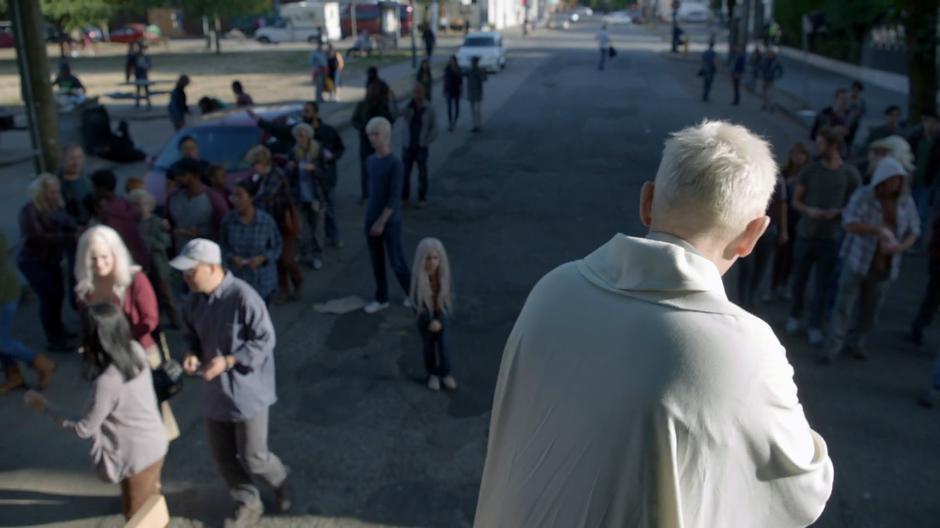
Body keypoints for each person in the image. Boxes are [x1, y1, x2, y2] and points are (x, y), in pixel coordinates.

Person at [474, 121, 834, 527]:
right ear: (752, 235)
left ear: (647, 201)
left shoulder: (551, 288)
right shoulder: (745, 350)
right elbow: (803, 488)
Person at [171, 238, 291, 525]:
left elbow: (265, 340)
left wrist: (229, 360)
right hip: (215, 393)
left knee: (254, 457)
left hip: (248, 394)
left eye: (191, 271)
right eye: (184, 272)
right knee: (222, 456)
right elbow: (190, 336)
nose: (186, 278)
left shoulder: (243, 297)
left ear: (212, 268)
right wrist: (190, 353)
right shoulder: (192, 302)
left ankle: (281, 481)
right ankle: (248, 501)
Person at [23, 302, 167, 520]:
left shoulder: (108, 381)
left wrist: (45, 407)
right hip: (154, 443)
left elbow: (84, 428)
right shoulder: (135, 350)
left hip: (136, 457)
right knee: (150, 503)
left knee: (137, 516)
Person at [74, 225, 180, 440]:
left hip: (140, 353)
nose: (100, 264)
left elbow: (151, 319)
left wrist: (122, 342)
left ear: (116, 253)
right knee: (113, 407)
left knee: (150, 405)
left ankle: (158, 445)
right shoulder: (86, 287)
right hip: (104, 359)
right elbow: (87, 323)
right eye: (93, 258)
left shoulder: (135, 280)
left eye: (105, 257)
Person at [823, 157, 919, 363]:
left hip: (884, 265)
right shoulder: (864, 196)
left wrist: (901, 246)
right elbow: (849, 223)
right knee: (843, 306)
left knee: (871, 310)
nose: (894, 184)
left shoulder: (905, 201)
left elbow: (914, 229)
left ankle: (857, 342)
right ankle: (833, 347)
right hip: (857, 259)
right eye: (891, 180)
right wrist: (877, 230)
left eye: (898, 181)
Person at [786, 127, 862, 346]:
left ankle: (815, 324)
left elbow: (855, 204)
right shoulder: (810, 170)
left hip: (831, 237)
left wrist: (838, 213)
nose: (817, 147)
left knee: (823, 284)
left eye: (821, 144)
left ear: (834, 146)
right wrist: (809, 211)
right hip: (806, 234)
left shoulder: (849, 174)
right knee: (799, 278)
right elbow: (796, 200)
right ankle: (795, 315)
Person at [18, 174, 79, 352]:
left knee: (57, 295)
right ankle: (54, 338)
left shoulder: (56, 205)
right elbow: (37, 238)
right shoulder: (30, 211)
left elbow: (67, 222)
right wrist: (69, 237)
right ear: (42, 192)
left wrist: (76, 228)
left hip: (51, 259)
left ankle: (59, 330)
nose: (55, 194)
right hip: (33, 261)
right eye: (52, 191)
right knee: (48, 298)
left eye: (56, 191)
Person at [363, 117, 411, 314]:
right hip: (371, 217)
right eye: (370, 135)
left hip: (390, 222)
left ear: (386, 136)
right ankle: (381, 297)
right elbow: (371, 191)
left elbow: (394, 198)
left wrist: (382, 222)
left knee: (397, 261)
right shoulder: (370, 161)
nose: (372, 139)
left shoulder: (395, 164)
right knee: (376, 261)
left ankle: (411, 292)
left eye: (376, 134)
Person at [244, 146, 302, 304]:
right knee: (276, 260)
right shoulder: (261, 177)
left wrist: (248, 199)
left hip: (283, 223)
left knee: (286, 258)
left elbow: (265, 197)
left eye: (254, 164)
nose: (252, 168)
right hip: (270, 225)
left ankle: (298, 281)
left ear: (262, 162)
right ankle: (283, 289)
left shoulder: (276, 175)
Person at [0, 230, 56, 394]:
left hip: (5, 294)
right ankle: (14, 376)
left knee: (1, 342)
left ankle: (43, 364)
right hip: (6, 293)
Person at [220, 182, 282, 303]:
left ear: (251, 197)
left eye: (239, 196)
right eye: (233, 196)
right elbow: (223, 246)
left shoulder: (266, 221)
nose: (235, 200)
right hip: (238, 280)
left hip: (263, 281)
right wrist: (232, 258)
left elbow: (276, 246)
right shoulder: (228, 221)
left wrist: (262, 258)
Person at [128, 189, 180, 328]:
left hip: (158, 261)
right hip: (141, 263)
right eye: (137, 205)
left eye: (144, 204)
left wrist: (148, 241)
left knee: (166, 293)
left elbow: (167, 241)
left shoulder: (157, 222)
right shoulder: (132, 224)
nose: (141, 208)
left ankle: (175, 320)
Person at [736, 171, 788, 310]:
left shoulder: (778, 179)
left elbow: (782, 205)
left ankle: (751, 298)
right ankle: (742, 301)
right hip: (747, 228)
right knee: (747, 268)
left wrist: (783, 230)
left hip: (768, 230)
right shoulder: (748, 176)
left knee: (761, 267)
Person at [410, 238, 456, 392]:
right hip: (425, 320)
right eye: (428, 258)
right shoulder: (418, 279)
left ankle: (445, 373)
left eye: (436, 258)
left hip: (441, 316)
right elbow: (417, 304)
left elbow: (448, 300)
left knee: (444, 346)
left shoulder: (444, 276)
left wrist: (440, 320)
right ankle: (432, 374)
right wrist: (429, 321)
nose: (432, 262)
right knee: (428, 348)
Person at [89, 169, 152, 272]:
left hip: (125, 264)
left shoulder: (110, 214)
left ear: (101, 188)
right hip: (140, 258)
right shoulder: (124, 203)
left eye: (94, 187)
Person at [771, 142, 811, 300]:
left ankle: (785, 286)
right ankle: (773, 287)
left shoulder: (808, 175)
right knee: (779, 255)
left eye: (801, 154)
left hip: (800, 220)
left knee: (794, 257)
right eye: (795, 154)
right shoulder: (784, 172)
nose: (798, 157)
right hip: (783, 219)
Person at [166, 158, 230, 250]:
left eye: (182, 174)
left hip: (206, 254)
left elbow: (224, 228)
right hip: (180, 253)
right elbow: (168, 223)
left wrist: (201, 232)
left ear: (195, 175)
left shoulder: (214, 198)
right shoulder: (173, 197)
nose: (177, 178)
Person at [353, 82, 398, 204]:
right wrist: (362, 128)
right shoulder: (362, 105)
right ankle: (366, 195)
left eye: (375, 91)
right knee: (365, 168)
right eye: (371, 91)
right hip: (365, 141)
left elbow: (391, 119)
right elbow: (354, 120)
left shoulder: (383, 105)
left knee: (381, 168)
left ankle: (380, 194)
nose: (372, 93)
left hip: (380, 143)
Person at [289, 123, 325, 270]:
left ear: (309, 136)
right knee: (300, 228)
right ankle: (303, 253)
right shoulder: (294, 152)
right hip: (299, 195)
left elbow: (326, 173)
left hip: (315, 196)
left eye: (302, 135)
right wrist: (290, 167)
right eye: (298, 136)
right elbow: (289, 173)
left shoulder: (317, 150)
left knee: (316, 228)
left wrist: (314, 169)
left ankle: (317, 256)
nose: (300, 138)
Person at [907, 109, 940, 251]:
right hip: (913, 180)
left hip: (928, 183)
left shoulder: (938, 141)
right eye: (925, 121)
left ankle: (917, 242)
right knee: (910, 211)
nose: (928, 125)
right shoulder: (915, 138)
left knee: (922, 214)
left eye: (931, 122)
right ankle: (909, 238)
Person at [401, 83, 439, 208]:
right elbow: (395, 114)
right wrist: (392, 101)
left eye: (419, 92)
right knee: (405, 173)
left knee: (422, 173)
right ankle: (404, 197)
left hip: (421, 146)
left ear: (423, 93)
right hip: (408, 146)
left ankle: (422, 197)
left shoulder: (429, 108)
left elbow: (434, 128)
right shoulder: (407, 106)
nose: (417, 94)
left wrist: (427, 141)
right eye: (415, 92)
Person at [57, 144, 94, 226]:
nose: (77, 162)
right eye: (72, 159)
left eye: (79, 158)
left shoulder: (89, 177)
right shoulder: (56, 185)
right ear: (62, 160)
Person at [467, 57, 487, 133]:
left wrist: (483, 72)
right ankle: (475, 125)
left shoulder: (479, 70)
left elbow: (484, 79)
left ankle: (478, 125)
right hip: (472, 92)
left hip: (477, 92)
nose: (473, 64)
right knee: (474, 110)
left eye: (474, 62)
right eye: (472, 62)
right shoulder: (470, 71)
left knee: (477, 110)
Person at [443, 56, 463, 131]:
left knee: (457, 107)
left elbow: (461, 81)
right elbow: (445, 80)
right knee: (449, 107)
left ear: (455, 61)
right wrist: (444, 90)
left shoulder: (458, 69)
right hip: (448, 90)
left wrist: (461, 91)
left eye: (452, 60)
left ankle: (455, 121)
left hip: (456, 90)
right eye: (450, 60)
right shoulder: (447, 69)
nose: (451, 62)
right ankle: (450, 123)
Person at [846, 80, 867, 147]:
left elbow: (863, 112)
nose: (855, 91)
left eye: (857, 90)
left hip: (854, 123)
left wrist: (858, 113)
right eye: (854, 89)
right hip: (843, 121)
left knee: (850, 138)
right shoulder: (846, 97)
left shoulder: (861, 101)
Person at [133, 44, 152, 109]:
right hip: (139, 75)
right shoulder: (136, 56)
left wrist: (146, 67)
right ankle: (137, 102)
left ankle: (148, 102)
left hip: (144, 75)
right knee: (138, 89)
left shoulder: (146, 56)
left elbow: (149, 65)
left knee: (146, 89)